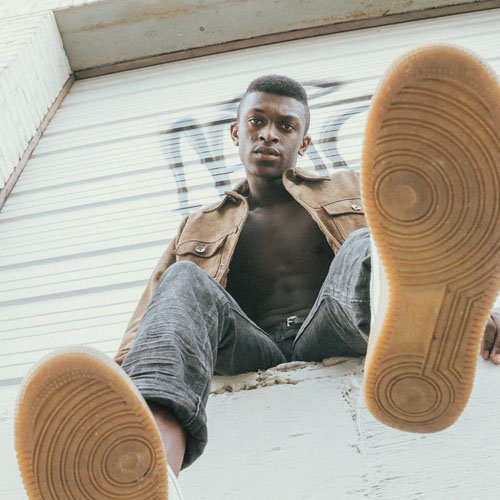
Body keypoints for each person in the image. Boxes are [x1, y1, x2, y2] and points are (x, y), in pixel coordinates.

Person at [15, 45, 500, 500]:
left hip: (335, 324)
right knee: (183, 279)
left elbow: (416, 256)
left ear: (303, 141)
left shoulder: (348, 187)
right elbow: (157, 314)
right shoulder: (200, 224)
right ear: (236, 133)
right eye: (257, 121)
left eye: (286, 126)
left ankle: (425, 334)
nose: (269, 133)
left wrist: (473, 316)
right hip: (250, 345)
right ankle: (144, 467)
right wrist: (118, 392)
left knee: (367, 242)